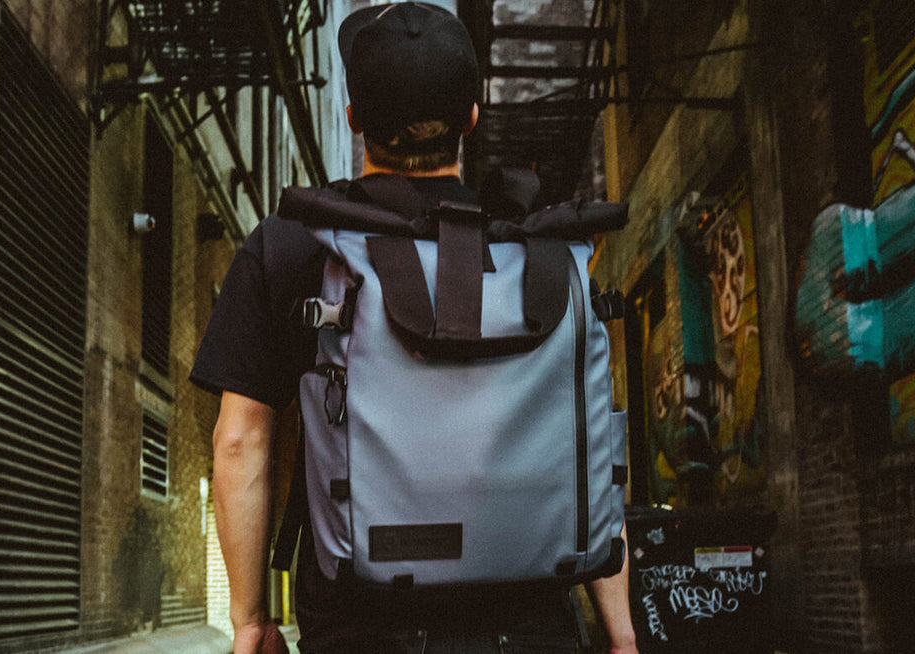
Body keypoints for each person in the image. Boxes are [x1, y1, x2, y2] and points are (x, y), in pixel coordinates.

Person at [191, 4, 639, 653]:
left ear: (354, 121)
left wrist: (250, 620)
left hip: (360, 629)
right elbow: (592, 448)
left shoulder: (292, 247)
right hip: (535, 625)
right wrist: (621, 634)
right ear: (471, 120)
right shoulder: (542, 258)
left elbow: (239, 443)